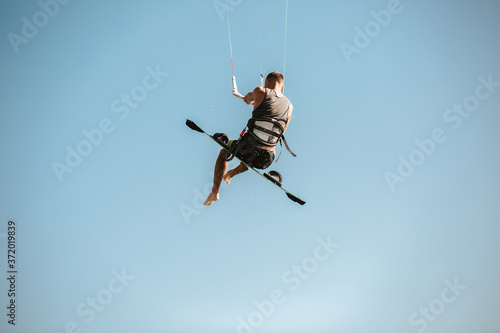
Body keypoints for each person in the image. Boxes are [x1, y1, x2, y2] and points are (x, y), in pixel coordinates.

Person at [204, 71, 293, 206]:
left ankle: (214, 192)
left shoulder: (260, 91)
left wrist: (252, 99)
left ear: (267, 82)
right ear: (282, 88)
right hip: (266, 158)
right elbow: (280, 133)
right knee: (250, 156)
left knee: (225, 151)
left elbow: (247, 99)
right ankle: (231, 173)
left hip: (248, 147)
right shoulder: (290, 107)